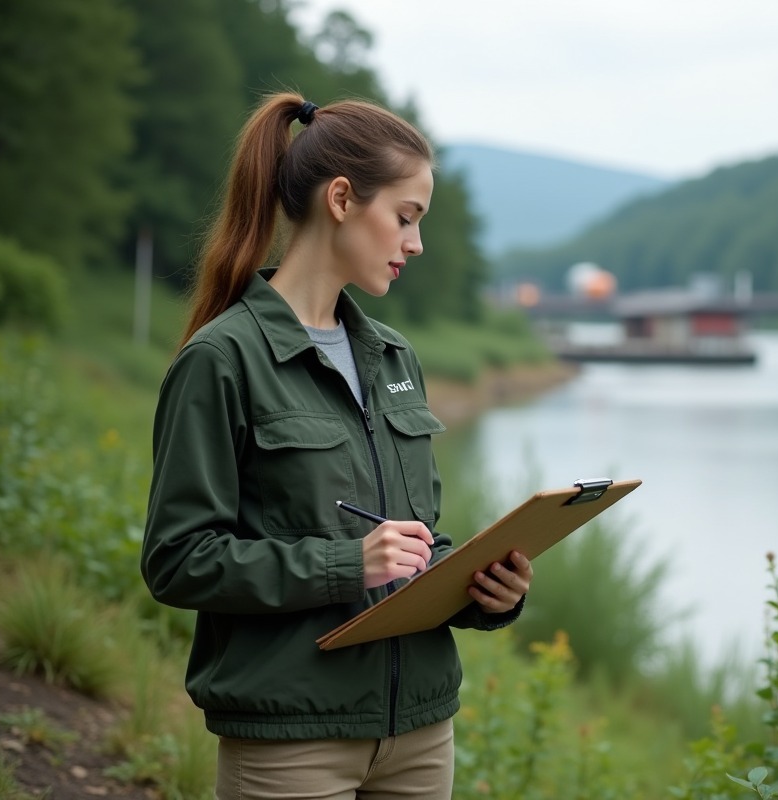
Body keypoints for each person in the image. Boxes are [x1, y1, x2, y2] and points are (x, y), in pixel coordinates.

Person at [141, 93, 533, 800]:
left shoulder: (395, 358)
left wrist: (482, 592)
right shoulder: (222, 360)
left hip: (419, 734)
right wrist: (344, 564)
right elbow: (178, 562)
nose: (416, 243)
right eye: (407, 218)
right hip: (292, 742)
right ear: (344, 199)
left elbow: (412, 543)